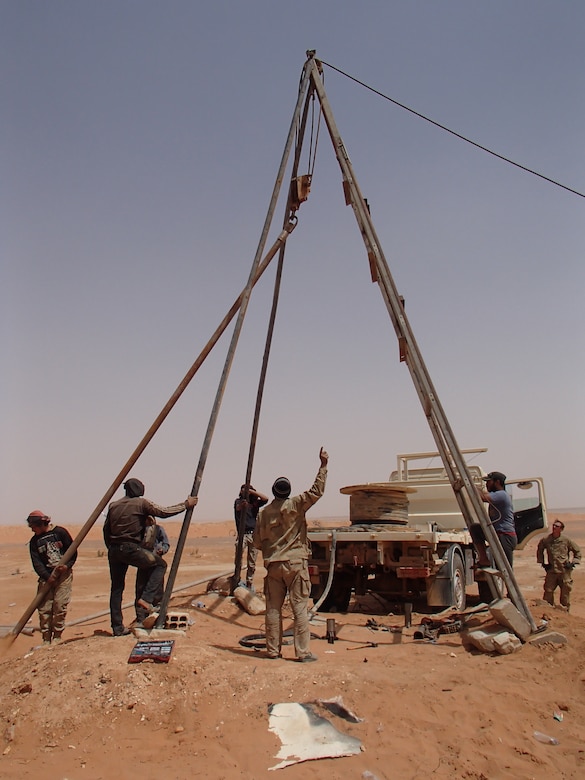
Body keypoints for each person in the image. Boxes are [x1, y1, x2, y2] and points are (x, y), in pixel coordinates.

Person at [253, 447, 328, 662]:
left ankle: (273, 650)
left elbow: (257, 542)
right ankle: (302, 652)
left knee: (273, 609)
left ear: (274, 492)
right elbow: (316, 491)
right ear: (289, 491)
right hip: (295, 564)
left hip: (274, 565)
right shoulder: (297, 504)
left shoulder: (264, 513)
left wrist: (273, 547)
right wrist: (323, 466)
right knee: (300, 608)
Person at [103, 478, 197, 636]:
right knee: (160, 565)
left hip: (114, 550)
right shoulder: (141, 503)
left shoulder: (114, 505)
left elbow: (106, 530)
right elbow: (164, 512)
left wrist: (112, 548)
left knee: (117, 588)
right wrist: (186, 504)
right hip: (130, 548)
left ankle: (117, 627)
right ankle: (146, 599)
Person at [27, 510, 77, 645]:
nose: (32, 529)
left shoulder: (60, 533)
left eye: (33, 526)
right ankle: (46, 639)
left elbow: (72, 552)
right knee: (44, 609)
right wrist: (47, 576)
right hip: (46, 579)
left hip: (63, 576)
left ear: (41, 524)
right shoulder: (34, 542)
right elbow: (36, 562)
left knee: (60, 606)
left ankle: (57, 637)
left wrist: (67, 566)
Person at [471, 471, 517, 568]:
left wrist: (471, 485)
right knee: (475, 529)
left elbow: (483, 497)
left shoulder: (502, 495)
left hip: (505, 536)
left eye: (489, 482)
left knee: (505, 569)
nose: (487, 484)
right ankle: (483, 559)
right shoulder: (497, 495)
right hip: (496, 533)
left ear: (497, 482)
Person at [536, 519, 581, 611]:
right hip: (552, 571)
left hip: (564, 571)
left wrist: (573, 562)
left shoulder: (566, 540)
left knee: (565, 593)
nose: (554, 527)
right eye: (553, 525)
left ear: (561, 529)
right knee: (548, 591)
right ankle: (548, 611)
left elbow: (577, 551)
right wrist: (543, 563)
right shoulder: (546, 540)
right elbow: (540, 549)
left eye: (557, 526)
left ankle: (565, 613)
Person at [234, 484, 268, 590]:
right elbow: (238, 508)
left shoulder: (254, 503)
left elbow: (265, 498)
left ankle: (249, 582)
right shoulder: (238, 501)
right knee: (238, 559)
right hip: (242, 534)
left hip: (253, 534)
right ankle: (237, 579)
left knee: (252, 560)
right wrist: (243, 504)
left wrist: (252, 492)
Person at [136, 522, 171, 608]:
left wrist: (162, 550)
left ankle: (157, 612)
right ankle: (141, 618)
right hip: (143, 562)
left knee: (157, 589)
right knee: (140, 588)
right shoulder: (139, 529)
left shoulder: (158, 529)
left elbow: (166, 543)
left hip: (156, 561)